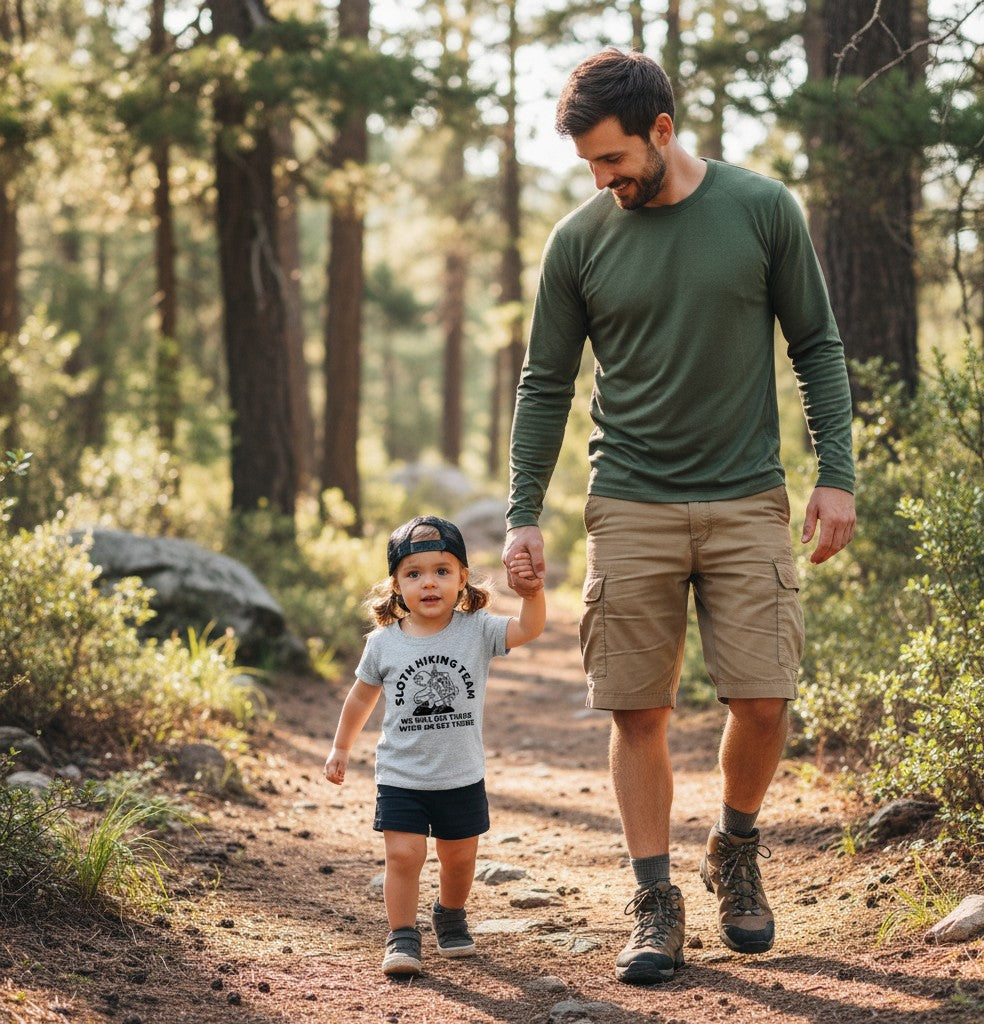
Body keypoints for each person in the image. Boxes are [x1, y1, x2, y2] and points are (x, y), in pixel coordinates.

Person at [502, 48, 856, 985]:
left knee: (765, 699)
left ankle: (734, 847)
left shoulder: (761, 209)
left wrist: (837, 474)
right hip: (628, 500)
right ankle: (655, 897)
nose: (602, 178)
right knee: (638, 708)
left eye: (613, 159)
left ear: (662, 131)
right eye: (589, 165)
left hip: (747, 494)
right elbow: (545, 384)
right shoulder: (578, 241)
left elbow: (815, 344)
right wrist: (522, 511)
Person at [324, 515, 545, 977]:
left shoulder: (477, 630)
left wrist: (532, 595)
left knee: (459, 858)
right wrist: (342, 747)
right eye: (414, 574)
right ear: (396, 585)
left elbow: (527, 630)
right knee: (403, 855)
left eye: (442, 571)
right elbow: (361, 697)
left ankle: (450, 913)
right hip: (401, 775)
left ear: (462, 577)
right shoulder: (383, 643)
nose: (429, 583)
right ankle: (402, 934)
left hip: (461, 774)